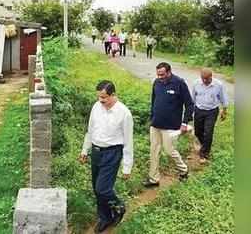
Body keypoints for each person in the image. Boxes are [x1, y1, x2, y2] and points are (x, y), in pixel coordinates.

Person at [79, 80, 133, 233]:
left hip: (112, 153)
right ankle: (105, 217)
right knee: (97, 189)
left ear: (113, 95)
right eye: (99, 97)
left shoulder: (124, 113)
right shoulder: (96, 107)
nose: (100, 101)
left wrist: (127, 166)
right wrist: (85, 150)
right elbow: (90, 130)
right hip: (96, 151)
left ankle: (119, 206)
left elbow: (128, 142)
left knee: (103, 189)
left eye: (104, 98)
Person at [143, 62, 194, 188]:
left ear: (169, 72)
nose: (160, 77)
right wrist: (151, 118)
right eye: (158, 74)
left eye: (162, 74)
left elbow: (189, 104)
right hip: (156, 124)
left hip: (171, 126)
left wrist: (184, 122)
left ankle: (183, 170)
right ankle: (154, 178)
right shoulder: (156, 83)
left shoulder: (179, 83)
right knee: (154, 151)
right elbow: (153, 101)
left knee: (170, 151)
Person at [192, 68, 229, 164]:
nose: (204, 81)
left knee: (208, 132)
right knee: (198, 131)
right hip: (199, 110)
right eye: (203, 78)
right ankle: (204, 145)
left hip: (212, 111)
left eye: (207, 79)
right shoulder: (196, 83)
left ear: (211, 77)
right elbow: (193, 98)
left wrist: (224, 111)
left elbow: (223, 98)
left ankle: (204, 153)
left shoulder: (218, 85)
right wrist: (191, 111)